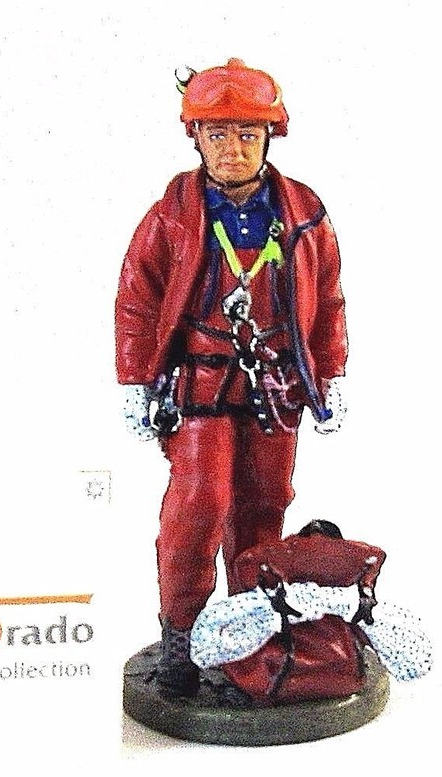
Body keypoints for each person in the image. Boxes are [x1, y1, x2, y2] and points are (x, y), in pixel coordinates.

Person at [115, 58, 348, 695]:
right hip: (200, 384)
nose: (233, 148)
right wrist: (136, 380)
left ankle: (251, 632)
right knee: (197, 505)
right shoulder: (172, 216)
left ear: (270, 136)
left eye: (247, 133)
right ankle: (182, 636)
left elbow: (328, 298)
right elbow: (137, 297)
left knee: (264, 506)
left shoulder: (304, 214)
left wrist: (330, 373)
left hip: (276, 386)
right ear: (195, 137)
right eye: (217, 133)